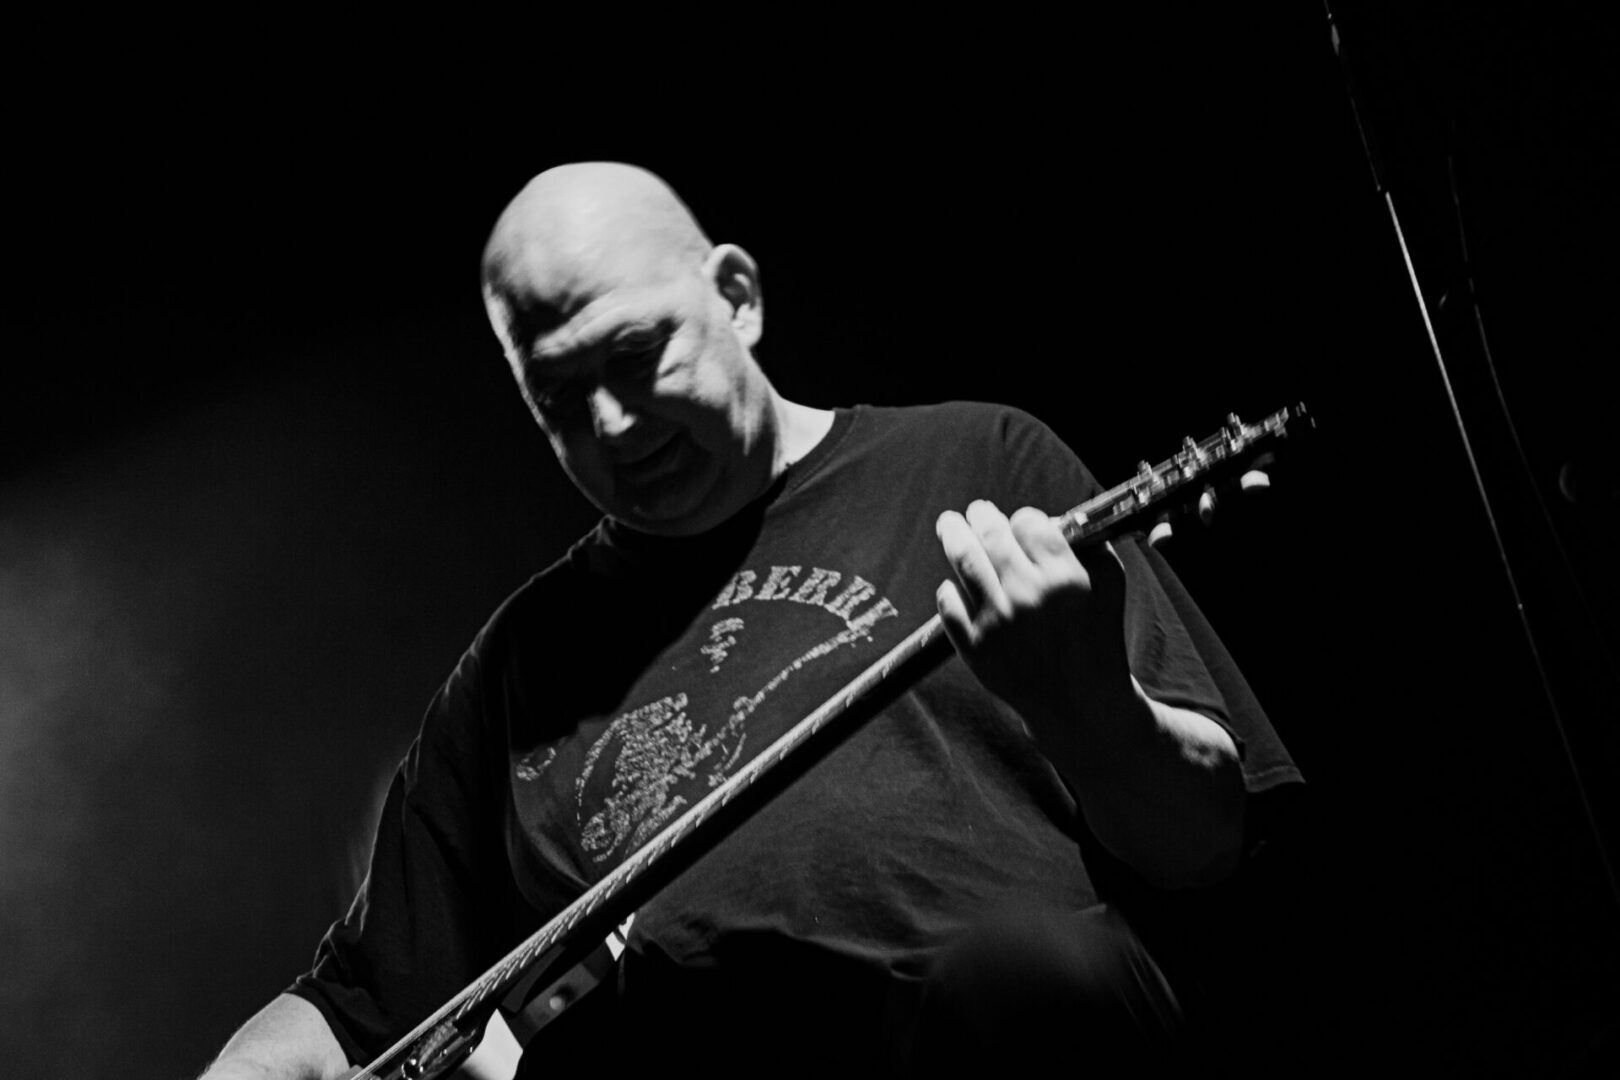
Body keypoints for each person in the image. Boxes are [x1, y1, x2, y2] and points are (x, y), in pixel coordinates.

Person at [199, 162, 1302, 1079]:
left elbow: (1205, 846)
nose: (611, 423)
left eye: (635, 357)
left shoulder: (978, 461)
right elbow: (352, 1006)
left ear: (736, 296)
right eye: (560, 397)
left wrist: (1084, 698)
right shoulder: (515, 671)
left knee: (1016, 974)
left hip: (1016, 1032)